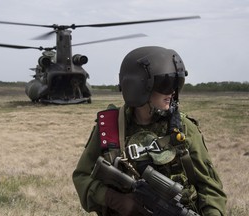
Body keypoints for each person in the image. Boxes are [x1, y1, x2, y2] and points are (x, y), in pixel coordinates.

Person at [72, 46, 227, 216]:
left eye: (176, 83)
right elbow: (82, 176)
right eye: (165, 83)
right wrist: (115, 200)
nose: (172, 92)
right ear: (138, 86)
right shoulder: (110, 127)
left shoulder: (183, 128)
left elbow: (210, 189)